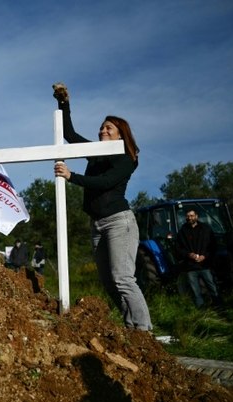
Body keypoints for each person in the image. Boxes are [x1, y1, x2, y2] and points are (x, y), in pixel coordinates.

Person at [52, 82, 152, 331]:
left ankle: (143, 330)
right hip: (96, 223)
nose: (102, 130)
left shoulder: (126, 158)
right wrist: (63, 103)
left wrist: (72, 176)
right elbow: (70, 135)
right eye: (101, 127)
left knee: (123, 279)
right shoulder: (96, 152)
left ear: (120, 134)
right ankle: (130, 327)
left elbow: (106, 182)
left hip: (119, 222)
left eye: (109, 127)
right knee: (108, 282)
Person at [175, 209, 222, 308]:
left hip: (205, 265)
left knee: (212, 287)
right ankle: (201, 310)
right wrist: (189, 254)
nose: (189, 218)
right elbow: (178, 248)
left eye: (191, 216)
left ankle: (219, 307)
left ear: (196, 216)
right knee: (196, 291)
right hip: (191, 267)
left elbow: (213, 245)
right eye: (188, 216)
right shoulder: (183, 231)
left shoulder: (206, 229)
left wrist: (204, 256)